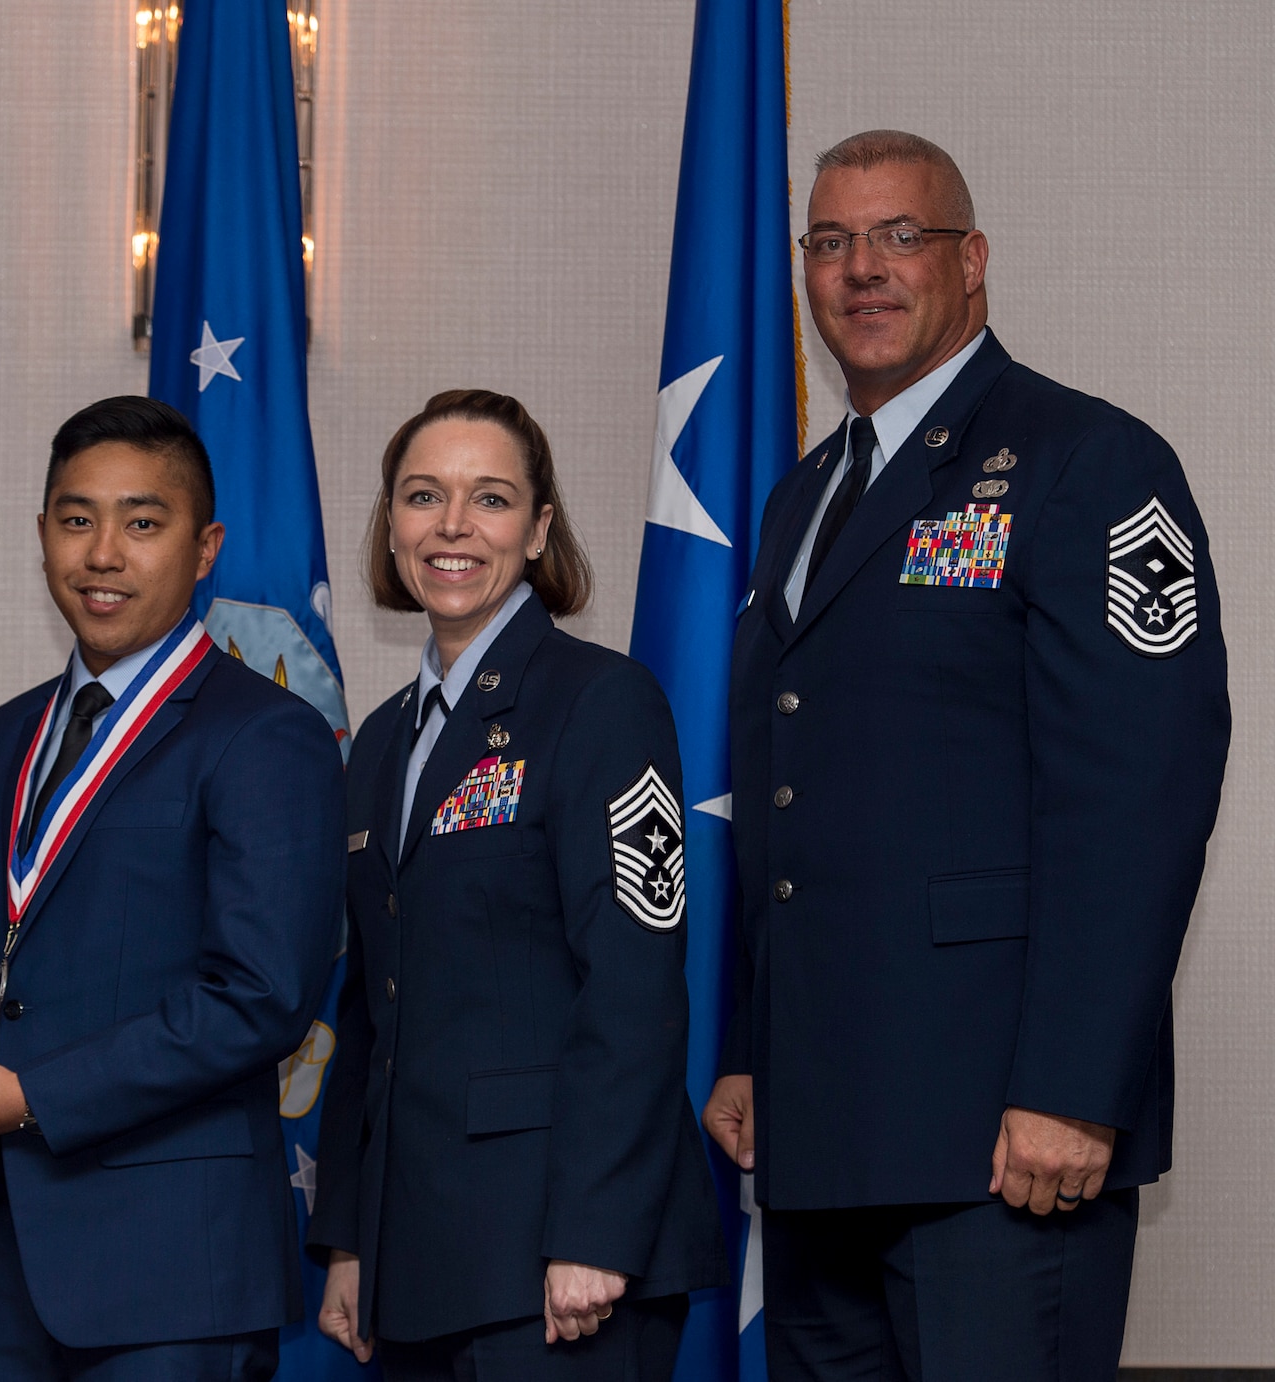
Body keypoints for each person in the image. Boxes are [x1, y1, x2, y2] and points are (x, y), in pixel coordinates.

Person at [705, 131, 1231, 1381]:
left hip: (1001, 1135)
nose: (860, 269)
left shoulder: (1084, 462)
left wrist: (1071, 1085)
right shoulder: (802, 498)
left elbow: (1137, 796)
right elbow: (789, 796)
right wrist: (751, 1045)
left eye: (899, 236)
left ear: (972, 260)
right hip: (826, 1127)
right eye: (828, 241)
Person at [0, 396, 346, 1381]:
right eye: (75, 518)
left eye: (142, 522)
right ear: (43, 533)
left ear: (203, 545)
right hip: (12, 1252)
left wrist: (28, 1094)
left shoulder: (265, 733)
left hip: (173, 1267)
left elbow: (259, 994)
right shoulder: (7, 733)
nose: (102, 552)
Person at [310, 389, 726, 1380]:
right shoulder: (377, 742)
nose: (451, 525)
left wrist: (593, 1229)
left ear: (538, 528)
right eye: (422, 496)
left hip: (561, 1255)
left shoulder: (600, 700)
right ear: (391, 524)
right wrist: (348, 1236)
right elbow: (371, 1010)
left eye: (489, 498)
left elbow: (630, 983)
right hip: (414, 1257)